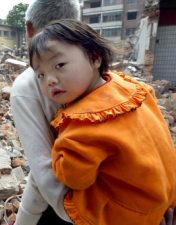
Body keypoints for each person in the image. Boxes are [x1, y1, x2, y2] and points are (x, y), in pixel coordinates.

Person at [28, 19, 176, 225]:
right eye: (40, 75)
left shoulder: (83, 122)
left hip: (124, 214)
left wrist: (58, 151)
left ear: (95, 57)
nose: (49, 80)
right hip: (162, 195)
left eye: (59, 65)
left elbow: (75, 178)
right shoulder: (128, 87)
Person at [10, 0, 80, 224]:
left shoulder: (27, 86)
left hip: (75, 209)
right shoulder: (104, 76)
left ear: (29, 29)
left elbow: (46, 174)